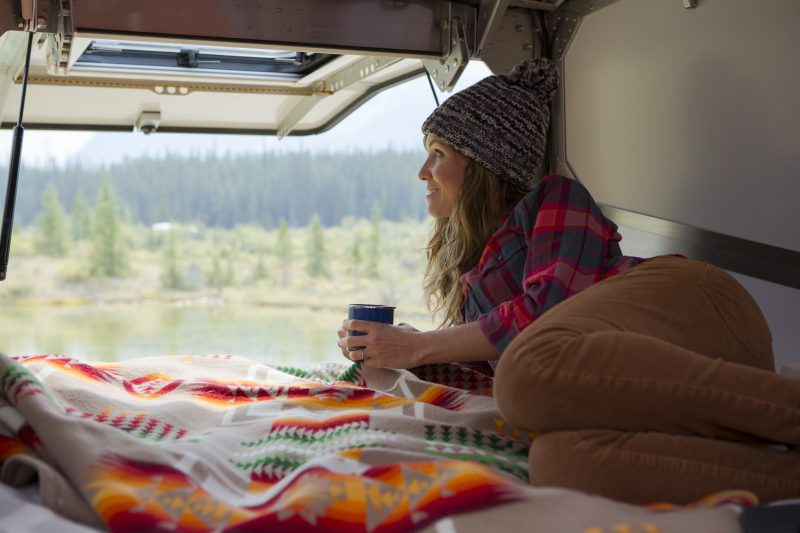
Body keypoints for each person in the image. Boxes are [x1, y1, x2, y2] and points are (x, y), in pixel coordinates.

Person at [337, 58, 800, 504]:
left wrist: (421, 347)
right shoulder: (477, 278)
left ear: (481, 164)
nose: (423, 172)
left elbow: (543, 318)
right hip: (651, 376)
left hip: (698, 308)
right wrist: (402, 350)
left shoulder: (553, 198)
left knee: (525, 369)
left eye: (437, 154)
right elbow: (516, 378)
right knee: (559, 462)